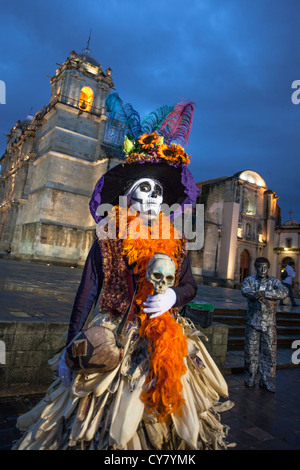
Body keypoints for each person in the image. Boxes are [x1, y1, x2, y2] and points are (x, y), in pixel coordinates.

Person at [13, 99, 233, 451]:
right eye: (143, 189)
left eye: (157, 192)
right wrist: (72, 347)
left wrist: (174, 296)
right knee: (100, 422)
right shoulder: (107, 238)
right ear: (127, 196)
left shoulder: (177, 244)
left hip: (164, 338)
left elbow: (190, 286)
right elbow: (86, 293)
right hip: (111, 334)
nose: (151, 199)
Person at [241, 257, 288, 393]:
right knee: (251, 349)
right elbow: (245, 290)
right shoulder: (249, 280)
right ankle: (251, 376)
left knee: (269, 350)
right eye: (260, 267)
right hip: (253, 321)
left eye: (265, 267)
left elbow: (283, 292)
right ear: (255, 267)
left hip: (269, 323)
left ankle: (265, 378)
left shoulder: (274, 282)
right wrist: (257, 295)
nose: (262, 270)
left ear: (268, 268)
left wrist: (265, 294)